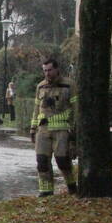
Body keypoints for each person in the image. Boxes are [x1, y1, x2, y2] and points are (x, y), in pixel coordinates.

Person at [30, 58, 76, 196]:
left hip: (62, 130)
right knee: (42, 161)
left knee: (63, 161)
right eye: (45, 71)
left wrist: (74, 130)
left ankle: (72, 185)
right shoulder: (40, 86)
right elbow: (36, 109)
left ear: (57, 69)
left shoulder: (69, 85)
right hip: (43, 130)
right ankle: (46, 191)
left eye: (49, 70)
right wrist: (33, 128)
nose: (47, 73)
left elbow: (76, 108)